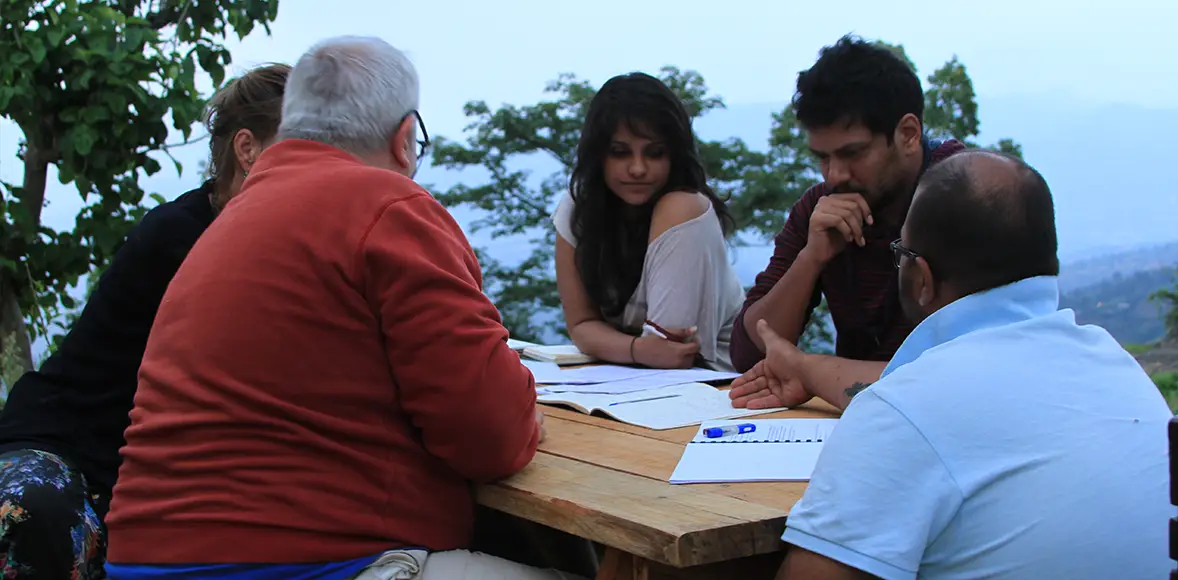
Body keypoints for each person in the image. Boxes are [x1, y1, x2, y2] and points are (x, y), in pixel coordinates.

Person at [103, 36, 576, 580]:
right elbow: (490, 436)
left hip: (147, 556)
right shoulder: (388, 207)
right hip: (303, 561)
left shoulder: (232, 218)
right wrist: (519, 419)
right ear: (404, 140)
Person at [755, 150, 1173, 579]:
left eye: (901, 253)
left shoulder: (905, 409)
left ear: (922, 278)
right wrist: (805, 368)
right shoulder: (1113, 364)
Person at [0, 62, 290, 578]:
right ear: (247, 149)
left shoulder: (281, 240)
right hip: (67, 446)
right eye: (301, 145)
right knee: (33, 516)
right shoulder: (184, 237)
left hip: (144, 471)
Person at [728, 35, 965, 409]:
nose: (835, 175)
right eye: (822, 158)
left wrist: (811, 372)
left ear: (908, 134)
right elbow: (750, 356)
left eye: (853, 153)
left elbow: (965, 372)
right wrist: (811, 259)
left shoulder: (966, 200)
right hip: (857, 420)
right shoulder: (820, 209)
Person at [553, 72, 744, 372]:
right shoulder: (579, 209)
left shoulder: (683, 208)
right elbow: (581, 325)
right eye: (620, 153)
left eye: (655, 153)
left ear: (674, 156)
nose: (638, 168)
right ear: (598, 155)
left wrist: (633, 350)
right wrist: (637, 350)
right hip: (634, 376)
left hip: (716, 380)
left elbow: (672, 352)